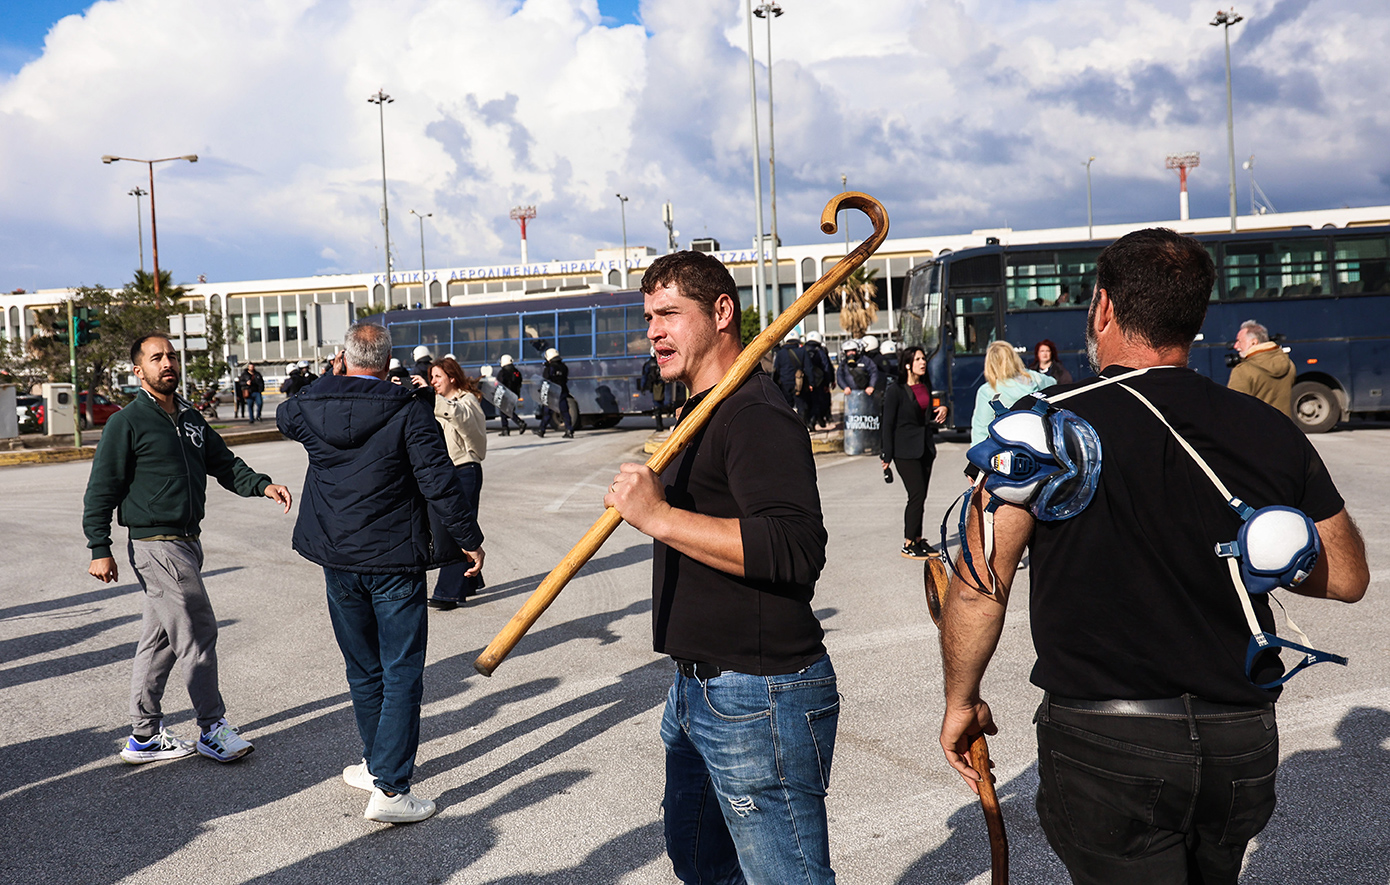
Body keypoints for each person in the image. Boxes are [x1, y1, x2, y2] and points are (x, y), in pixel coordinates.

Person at [938, 228, 1370, 884]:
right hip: (1239, 739)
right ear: (1195, 320)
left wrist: (961, 699)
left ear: (1103, 308)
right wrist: (1272, 548)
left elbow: (977, 585)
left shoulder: (1044, 424)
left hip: (1105, 742)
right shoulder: (1266, 428)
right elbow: (1347, 577)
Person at [603, 251, 837, 884]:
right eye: (649, 316)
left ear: (722, 313)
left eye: (671, 314)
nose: (653, 330)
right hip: (697, 689)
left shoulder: (754, 413)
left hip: (760, 693)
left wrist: (658, 516)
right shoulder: (700, 410)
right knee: (701, 863)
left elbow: (795, 549)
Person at [277, 322, 485, 824]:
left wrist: (328, 379)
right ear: (389, 363)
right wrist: (469, 540)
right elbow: (438, 483)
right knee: (401, 671)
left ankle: (377, 766)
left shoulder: (312, 405)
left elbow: (286, 413)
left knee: (364, 668)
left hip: (338, 557)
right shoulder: (408, 410)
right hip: (393, 558)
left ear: (343, 360)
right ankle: (391, 789)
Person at [83, 334, 293, 765]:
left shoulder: (192, 419)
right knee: (197, 630)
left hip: (187, 542)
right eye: (156, 357)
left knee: (160, 640)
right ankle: (211, 727)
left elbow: (225, 464)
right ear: (138, 371)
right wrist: (98, 546)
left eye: (172, 356)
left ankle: (143, 735)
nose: (167, 363)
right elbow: (102, 489)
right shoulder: (127, 421)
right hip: (155, 545)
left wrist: (263, 485)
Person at [413, 356, 488, 609]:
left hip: (465, 470)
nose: (433, 382)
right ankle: (469, 580)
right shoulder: (441, 402)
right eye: (431, 377)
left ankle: (448, 593)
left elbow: (460, 417)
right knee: (459, 525)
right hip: (450, 471)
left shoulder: (467, 401)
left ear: (452, 378)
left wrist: (430, 396)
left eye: (437, 377)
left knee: (454, 530)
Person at [881, 345, 948, 560]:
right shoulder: (896, 390)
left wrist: (943, 409)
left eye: (923, 359)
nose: (923, 362)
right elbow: (887, 424)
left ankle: (918, 539)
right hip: (904, 450)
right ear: (908, 364)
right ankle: (908, 543)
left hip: (925, 448)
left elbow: (926, 414)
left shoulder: (925, 386)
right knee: (916, 494)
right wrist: (886, 455)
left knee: (921, 496)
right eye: (918, 359)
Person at [970, 341, 1055, 446]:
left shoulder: (988, 391)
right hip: (1040, 441)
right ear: (1014, 359)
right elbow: (1054, 384)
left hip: (1009, 447)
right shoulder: (1035, 378)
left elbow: (981, 430)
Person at [1228, 319, 1295, 417]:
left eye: (1239, 341)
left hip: (1256, 429)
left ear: (1253, 343)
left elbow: (1233, 407)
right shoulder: (1289, 364)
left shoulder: (1243, 370)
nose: (1235, 346)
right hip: (1284, 427)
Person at [801, 331, 835, 429]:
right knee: (818, 402)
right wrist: (828, 381)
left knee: (807, 402)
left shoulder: (802, 349)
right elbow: (826, 366)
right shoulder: (820, 350)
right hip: (819, 381)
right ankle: (814, 421)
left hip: (805, 381)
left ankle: (807, 421)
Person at [539, 347, 574, 439]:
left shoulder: (550, 368)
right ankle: (569, 430)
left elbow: (546, 379)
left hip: (552, 392)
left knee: (548, 412)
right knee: (565, 411)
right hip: (562, 391)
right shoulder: (564, 367)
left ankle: (541, 430)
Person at [639, 346, 670, 430]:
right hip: (665, 385)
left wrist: (642, 386)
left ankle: (659, 426)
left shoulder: (649, 363)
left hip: (656, 386)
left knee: (657, 406)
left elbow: (644, 376)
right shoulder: (664, 361)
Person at [496, 354, 527, 435]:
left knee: (505, 411)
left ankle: (510, 427)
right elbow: (519, 382)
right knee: (508, 411)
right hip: (515, 394)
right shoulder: (516, 372)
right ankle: (508, 428)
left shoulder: (502, 372)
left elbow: (499, 383)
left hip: (505, 395)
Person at [771, 333, 803, 409]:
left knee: (787, 406)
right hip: (799, 383)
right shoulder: (802, 351)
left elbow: (776, 369)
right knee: (800, 405)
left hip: (784, 382)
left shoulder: (780, 353)